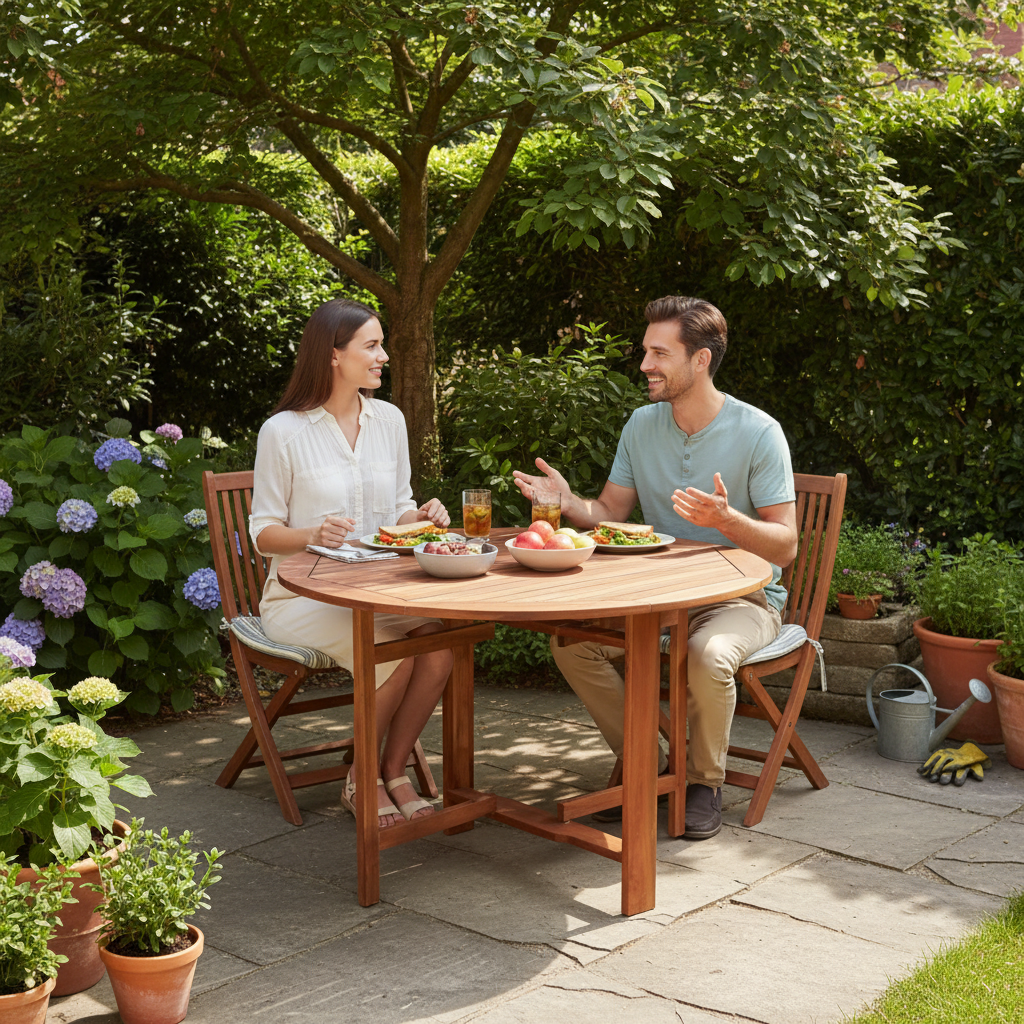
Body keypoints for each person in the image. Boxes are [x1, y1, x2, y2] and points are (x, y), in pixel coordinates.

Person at [513, 295, 797, 840]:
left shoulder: (759, 432)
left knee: (708, 655)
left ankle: (701, 783)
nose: (644, 365)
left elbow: (785, 546)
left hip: (742, 601)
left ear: (700, 360)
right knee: (571, 642)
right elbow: (608, 514)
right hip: (658, 598)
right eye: (645, 351)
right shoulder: (642, 425)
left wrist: (727, 520)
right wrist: (569, 502)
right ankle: (649, 764)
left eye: (658, 353)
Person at [249, 297, 454, 830]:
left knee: (438, 646)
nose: (384, 355)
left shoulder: (389, 420)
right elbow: (262, 535)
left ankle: (392, 768)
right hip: (300, 599)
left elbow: (400, 507)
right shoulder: (284, 432)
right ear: (334, 355)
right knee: (391, 652)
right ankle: (360, 778)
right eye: (373, 345)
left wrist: (424, 515)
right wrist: (311, 533)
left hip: (377, 590)